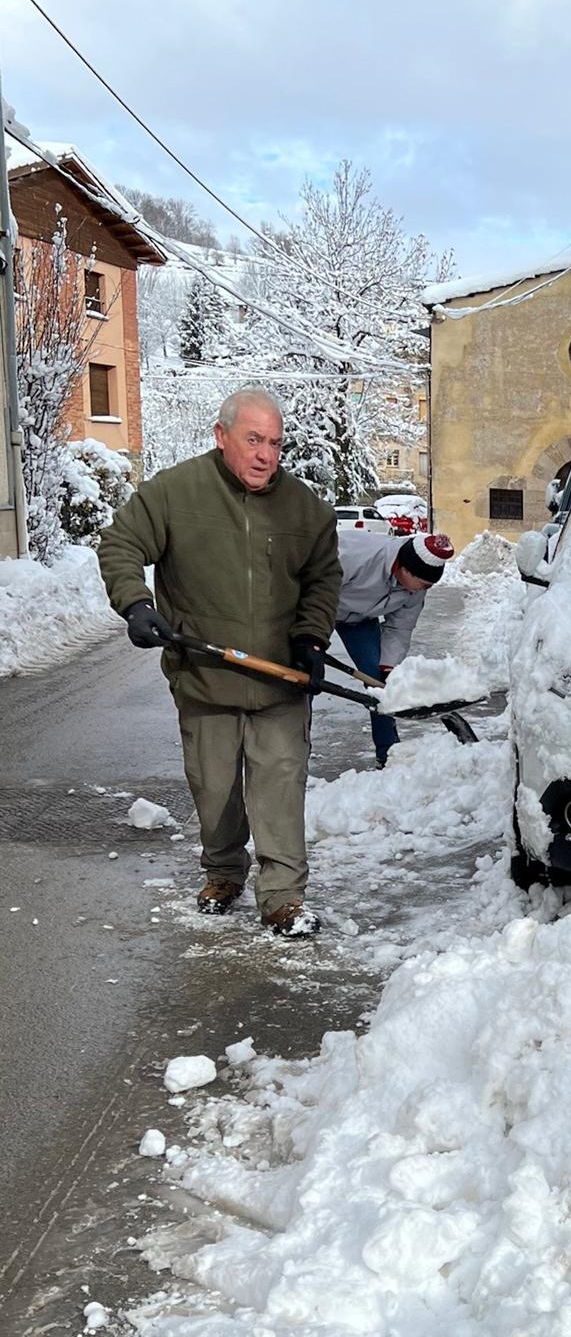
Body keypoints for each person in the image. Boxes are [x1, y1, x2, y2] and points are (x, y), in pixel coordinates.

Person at [97, 388, 342, 935]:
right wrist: (136, 604)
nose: (265, 455)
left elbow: (324, 579)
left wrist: (311, 638)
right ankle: (224, 870)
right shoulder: (175, 493)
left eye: (275, 443)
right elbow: (120, 544)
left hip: (280, 681)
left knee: (279, 784)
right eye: (253, 440)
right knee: (215, 790)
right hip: (205, 677)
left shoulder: (305, 509)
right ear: (221, 435)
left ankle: (282, 895)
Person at [333, 530, 454, 765]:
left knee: (379, 683)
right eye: (422, 585)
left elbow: (400, 628)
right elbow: (311, 587)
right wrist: (310, 640)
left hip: (360, 620)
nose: (421, 591)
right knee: (306, 677)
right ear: (403, 569)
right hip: (320, 606)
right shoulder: (353, 555)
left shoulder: (415, 587)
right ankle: (297, 758)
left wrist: (388, 668)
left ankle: (388, 755)